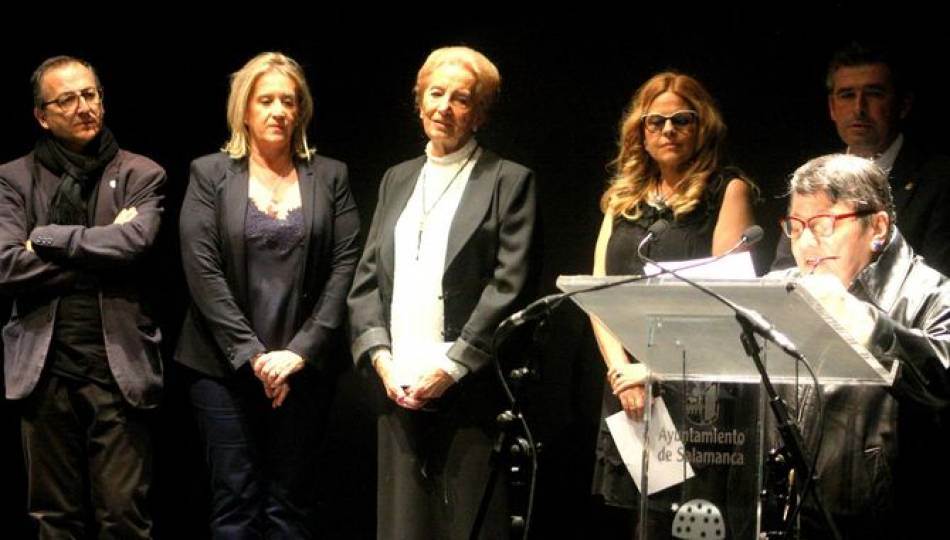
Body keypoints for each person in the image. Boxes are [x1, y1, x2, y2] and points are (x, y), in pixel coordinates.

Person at [347, 45, 539, 540]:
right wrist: (382, 361)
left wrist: (451, 367)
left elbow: (509, 286)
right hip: (399, 388)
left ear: (479, 113)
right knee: (402, 527)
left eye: (461, 98)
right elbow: (367, 278)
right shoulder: (397, 179)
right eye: (435, 94)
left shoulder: (508, 181)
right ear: (419, 101)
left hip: (467, 392)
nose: (444, 107)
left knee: (466, 525)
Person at [175, 52, 360, 537]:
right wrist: (255, 357)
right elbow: (203, 272)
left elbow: (347, 267)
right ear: (245, 109)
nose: (278, 110)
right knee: (234, 503)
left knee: (291, 504)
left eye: (288, 101)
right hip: (221, 368)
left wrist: (298, 354)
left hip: (304, 370)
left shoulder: (331, 176)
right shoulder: (208, 174)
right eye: (266, 100)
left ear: (301, 110)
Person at [0, 55, 165, 538]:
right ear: (41, 115)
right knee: (54, 519)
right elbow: (7, 263)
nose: (82, 107)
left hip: (118, 368)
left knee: (123, 518)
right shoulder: (15, 178)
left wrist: (48, 238)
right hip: (44, 368)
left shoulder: (141, 173)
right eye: (66, 99)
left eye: (90, 94)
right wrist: (98, 249)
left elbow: (135, 245)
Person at [589, 71, 756, 533]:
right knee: (647, 524)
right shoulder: (622, 200)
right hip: (631, 387)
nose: (667, 131)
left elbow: (727, 303)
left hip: (698, 392)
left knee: (694, 524)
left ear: (702, 126)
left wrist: (655, 370)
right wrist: (623, 373)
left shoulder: (728, 190)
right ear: (639, 133)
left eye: (681, 120)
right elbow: (599, 293)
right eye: (655, 121)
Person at [771, 153, 950, 539]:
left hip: (888, 520)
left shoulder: (933, 295)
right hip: (791, 518)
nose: (804, 242)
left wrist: (868, 324)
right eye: (796, 226)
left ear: (878, 226)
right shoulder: (784, 290)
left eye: (822, 225)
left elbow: (943, 381)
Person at [772, 42, 950, 275]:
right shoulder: (813, 179)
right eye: (847, 95)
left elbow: (940, 278)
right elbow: (784, 270)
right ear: (832, 108)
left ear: (903, 105)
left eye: (874, 94)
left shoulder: (939, 179)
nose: (858, 108)